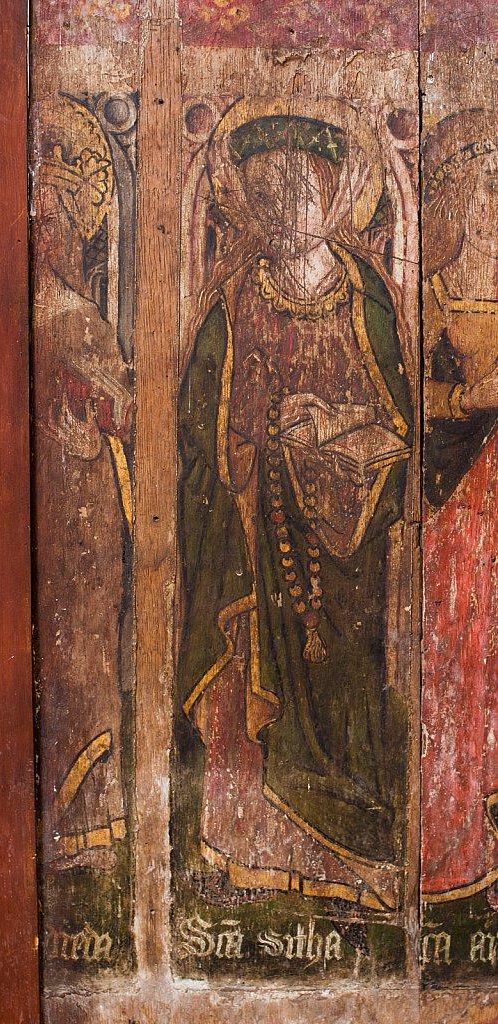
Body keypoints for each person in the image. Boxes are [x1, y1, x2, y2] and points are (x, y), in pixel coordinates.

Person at [176, 98, 413, 912]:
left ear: (333, 191)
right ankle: (253, 853)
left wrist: (342, 433)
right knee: (252, 698)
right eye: (266, 195)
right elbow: (199, 429)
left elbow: (402, 415)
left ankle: (358, 858)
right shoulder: (235, 299)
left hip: (356, 545)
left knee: (351, 700)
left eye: (300, 191)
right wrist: (260, 430)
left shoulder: (368, 298)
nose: (286, 209)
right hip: (260, 541)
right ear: (247, 205)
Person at [33, 96, 133, 872]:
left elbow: (117, 420)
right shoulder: (52, 316)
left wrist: (96, 423)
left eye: (56, 219)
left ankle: (80, 831)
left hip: (77, 525)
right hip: (47, 526)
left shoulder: (77, 320)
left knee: (78, 657)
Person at [421, 110, 498, 908]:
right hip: (460, 504)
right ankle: (457, 847)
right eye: (487, 180)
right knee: (459, 667)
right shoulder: (429, 294)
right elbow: (400, 394)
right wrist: (467, 393)